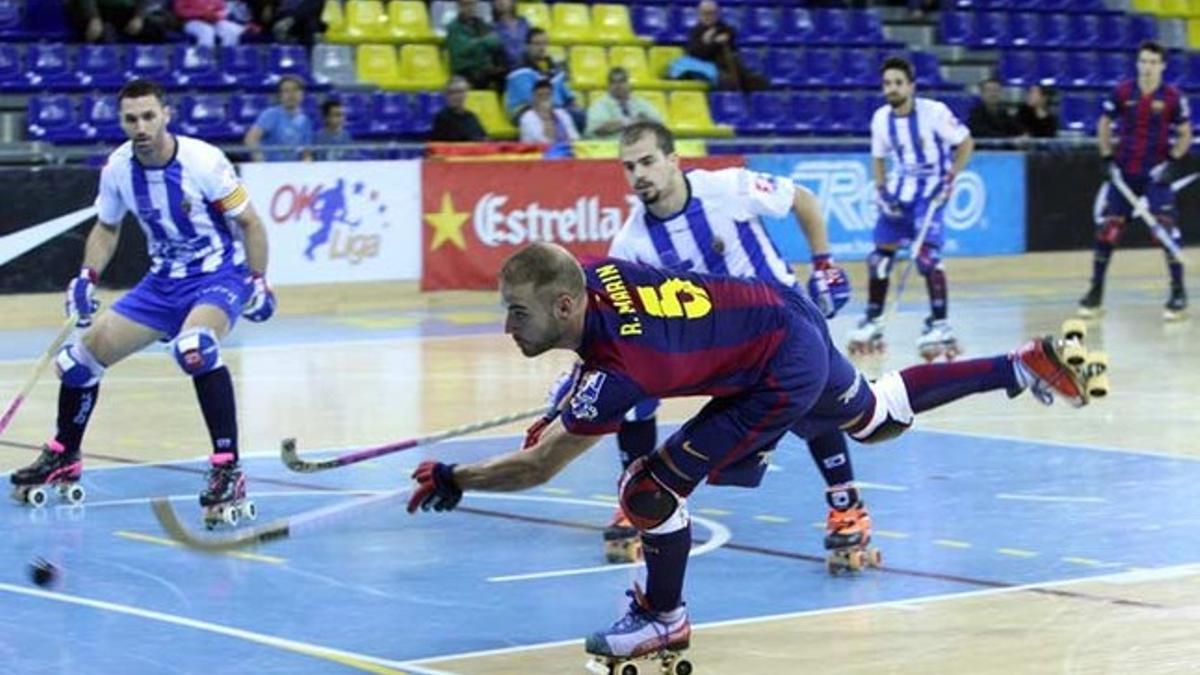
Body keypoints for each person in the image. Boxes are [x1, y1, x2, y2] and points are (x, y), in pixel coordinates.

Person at [405, 241, 1102, 665]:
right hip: (778, 311)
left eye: (516, 313)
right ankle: (1018, 366)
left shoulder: (620, 370)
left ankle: (662, 616)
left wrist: (455, 478)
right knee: (875, 419)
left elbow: (540, 465)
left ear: (563, 306)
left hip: (774, 364)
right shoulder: (594, 275)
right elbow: (590, 372)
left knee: (647, 493)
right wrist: (565, 402)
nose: (505, 326)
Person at [568, 120, 856, 566]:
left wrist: (824, 265)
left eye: (647, 161)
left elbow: (803, 200)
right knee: (632, 394)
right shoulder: (630, 243)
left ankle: (847, 510)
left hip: (784, 325)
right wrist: (586, 376)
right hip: (719, 346)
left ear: (673, 160)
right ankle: (637, 498)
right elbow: (616, 322)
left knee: (816, 402)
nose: (639, 174)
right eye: (629, 167)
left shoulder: (728, 188)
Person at [8, 79, 275, 523]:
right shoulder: (117, 168)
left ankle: (228, 468)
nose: (141, 126)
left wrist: (259, 281)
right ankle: (64, 455)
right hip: (160, 284)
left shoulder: (204, 162)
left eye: (149, 116)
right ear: (122, 121)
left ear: (166, 114)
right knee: (77, 361)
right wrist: (86, 276)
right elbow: (107, 228)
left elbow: (250, 224)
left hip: (216, 275)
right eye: (131, 118)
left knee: (195, 348)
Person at [849, 56, 975, 361]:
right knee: (879, 258)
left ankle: (940, 324)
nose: (892, 88)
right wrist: (881, 190)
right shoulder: (881, 118)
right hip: (898, 192)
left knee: (927, 258)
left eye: (898, 83)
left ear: (911, 86)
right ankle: (873, 318)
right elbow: (878, 158)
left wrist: (950, 178)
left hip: (930, 193)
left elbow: (966, 142)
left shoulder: (935, 113)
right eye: (887, 84)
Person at [1079, 40, 1189, 321]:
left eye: (1153, 62)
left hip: (1156, 174)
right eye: (1143, 61)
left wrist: (1173, 163)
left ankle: (1178, 293)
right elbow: (1104, 122)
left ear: (1163, 66)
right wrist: (1105, 156)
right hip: (1124, 173)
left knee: (1165, 230)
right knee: (1108, 230)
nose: (1148, 67)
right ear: (1137, 63)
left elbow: (1185, 132)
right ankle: (1095, 293)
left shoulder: (1174, 97)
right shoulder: (1123, 91)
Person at [684, 0, 767, 92]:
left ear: (717, 14)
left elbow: (731, 33)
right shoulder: (695, 32)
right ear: (699, 14)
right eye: (705, 13)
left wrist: (718, 38)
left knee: (758, 81)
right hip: (708, 68)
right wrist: (713, 43)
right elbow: (697, 54)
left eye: (712, 13)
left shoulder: (722, 28)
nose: (709, 17)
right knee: (727, 82)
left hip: (728, 65)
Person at [504, 27, 579, 122]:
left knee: (579, 115)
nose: (542, 47)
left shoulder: (554, 68)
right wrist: (556, 110)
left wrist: (573, 105)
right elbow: (530, 99)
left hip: (554, 109)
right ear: (527, 46)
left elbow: (568, 96)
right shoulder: (519, 68)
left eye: (544, 43)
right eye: (537, 44)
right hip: (525, 111)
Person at [243, 75, 314, 162]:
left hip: (293, 170)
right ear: (280, 95)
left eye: (295, 90)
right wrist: (261, 162)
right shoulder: (270, 114)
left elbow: (306, 152)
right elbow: (251, 138)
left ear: (302, 94)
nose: (291, 94)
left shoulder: (305, 121)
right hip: (271, 169)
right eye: (286, 91)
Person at [446, 0, 508, 92]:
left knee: (505, 75)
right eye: (465, 5)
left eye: (472, 4)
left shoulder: (480, 23)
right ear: (458, 6)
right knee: (481, 79)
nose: (469, 8)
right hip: (465, 71)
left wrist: (477, 42)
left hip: (484, 68)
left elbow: (495, 42)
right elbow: (462, 50)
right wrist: (483, 42)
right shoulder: (453, 28)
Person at [584, 67, 663, 139]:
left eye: (622, 81)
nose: (618, 85)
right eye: (613, 82)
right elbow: (597, 130)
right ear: (608, 85)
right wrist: (630, 121)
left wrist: (645, 120)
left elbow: (659, 124)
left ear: (629, 83)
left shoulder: (641, 103)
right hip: (611, 149)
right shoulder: (599, 105)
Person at [517, 79, 579, 144]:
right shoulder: (527, 117)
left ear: (552, 97)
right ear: (533, 97)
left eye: (548, 95)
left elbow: (574, 138)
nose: (544, 98)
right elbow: (545, 142)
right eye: (540, 95)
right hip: (538, 152)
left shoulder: (562, 113)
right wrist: (546, 118)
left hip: (564, 151)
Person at [429, 76, 488, 142]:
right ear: (446, 95)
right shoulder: (442, 118)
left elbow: (483, 138)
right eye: (452, 92)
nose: (457, 96)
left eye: (460, 92)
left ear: (466, 94)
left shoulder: (472, 116)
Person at [173, 0, 246, 47]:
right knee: (207, 31)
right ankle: (203, 61)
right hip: (192, 21)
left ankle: (226, 59)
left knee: (230, 32)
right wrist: (201, 14)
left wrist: (217, 15)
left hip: (214, 21)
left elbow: (223, 9)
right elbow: (179, 11)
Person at [491, 0, 530, 68]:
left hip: (528, 65)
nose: (501, 1)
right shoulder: (492, 27)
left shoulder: (524, 22)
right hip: (506, 68)